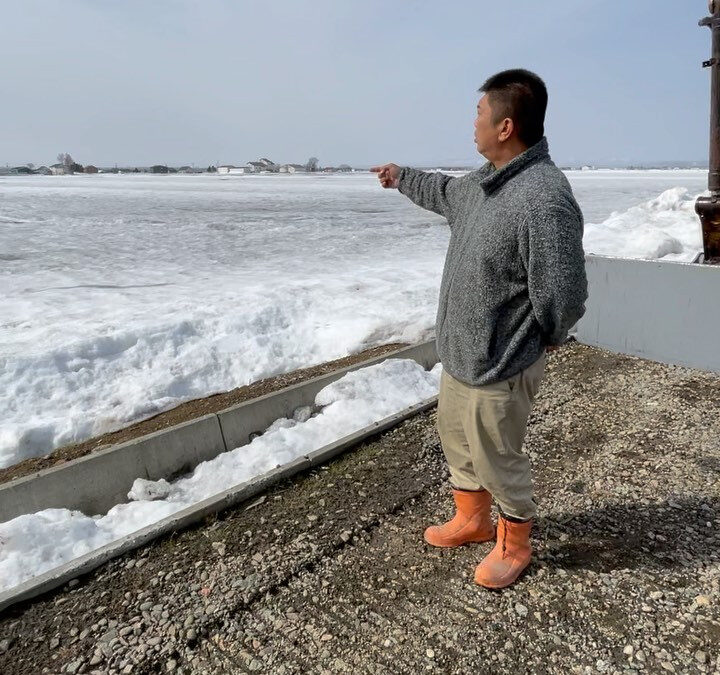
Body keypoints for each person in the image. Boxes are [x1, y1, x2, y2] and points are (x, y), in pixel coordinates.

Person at [371, 69, 587, 589]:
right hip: (462, 356)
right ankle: (472, 520)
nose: (473, 125)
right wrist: (401, 176)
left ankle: (515, 542)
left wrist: (546, 336)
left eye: (478, 114)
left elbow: (563, 292)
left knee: (498, 458)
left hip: (503, 361)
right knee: (458, 443)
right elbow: (442, 190)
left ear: (506, 125)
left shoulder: (543, 197)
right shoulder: (482, 185)